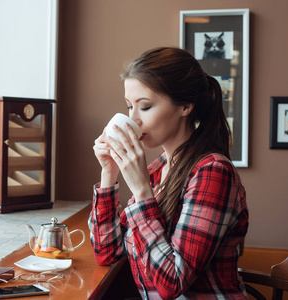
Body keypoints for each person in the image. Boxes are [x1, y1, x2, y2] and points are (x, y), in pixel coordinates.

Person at [89, 47, 249, 299]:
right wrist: (109, 172)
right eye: (129, 106)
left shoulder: (213, 172)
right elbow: (107, 252)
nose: (133, 119)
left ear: (185, 106)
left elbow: (171, 284)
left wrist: (141, 192)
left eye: (145, 106)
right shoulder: (159, 169)